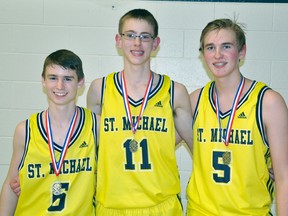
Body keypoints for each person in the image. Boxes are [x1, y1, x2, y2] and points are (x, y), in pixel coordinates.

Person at [87, 8, 192, 215]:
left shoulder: (175, 92)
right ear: (119, 40)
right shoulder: (100, 89)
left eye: (145, 37)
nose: (137, 43)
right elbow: (87, 145)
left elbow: (200, 147)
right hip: (111, 205)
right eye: (130, 35)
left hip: (161, 205)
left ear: (155, 43)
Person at [186, 18, 288, 215]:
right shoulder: (195, 101)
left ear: (242, 52)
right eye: (210, 47)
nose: (217, 55)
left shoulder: (268, 102)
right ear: (203, 55)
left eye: (226, 46)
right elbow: (157, 141)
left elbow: (284, 176)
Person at [0, 49, 98, 215]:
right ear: (43, 81)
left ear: (80, 82)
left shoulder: (96, 126)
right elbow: (11, 184)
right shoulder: (25, 130)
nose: (60, 86)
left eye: (68, 79)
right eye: (53, 78)